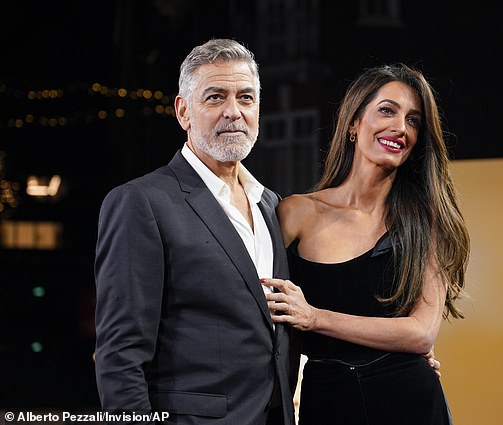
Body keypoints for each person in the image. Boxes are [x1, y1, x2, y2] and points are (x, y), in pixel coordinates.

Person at [94, 38, 296, 425]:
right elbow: (120, 355)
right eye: (216, 97)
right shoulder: (141, 202)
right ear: (183, 111)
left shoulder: (271, 205)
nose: (233, 112)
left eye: (246, 98)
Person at [261, 63, 470, 425]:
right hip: (326, 401)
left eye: (414, 120)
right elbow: (279, 328)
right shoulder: (295, 213)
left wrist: (314, 317)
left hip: (410, 400)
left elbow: (421, 333)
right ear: (353, 124)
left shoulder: (423, 219)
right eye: (387, 110)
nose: (400, 128)